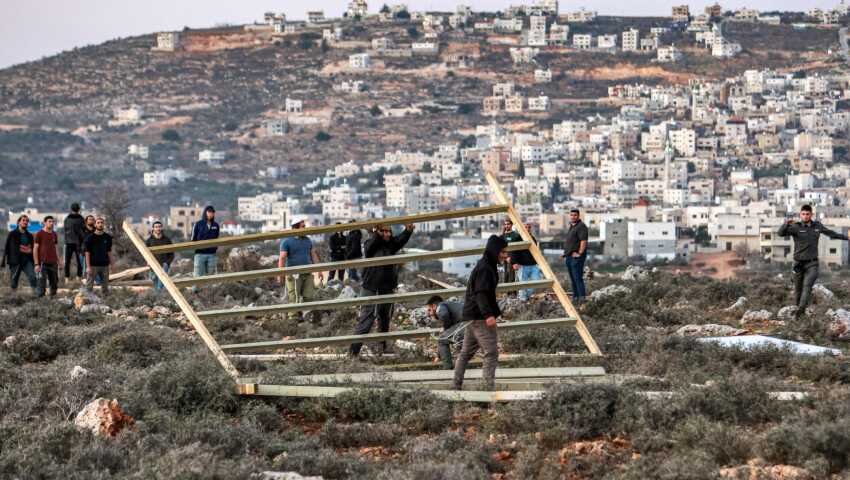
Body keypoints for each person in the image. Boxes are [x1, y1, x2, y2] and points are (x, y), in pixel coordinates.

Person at [349, 223, 414, 357]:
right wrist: (377, 233)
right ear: (377, 232)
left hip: (386, 287)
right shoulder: (370, 245)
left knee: (384, 319)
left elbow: (399, 240)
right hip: (371, 288)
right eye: (383, 232)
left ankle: (382, 348)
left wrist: (407, 231)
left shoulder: (390, 244)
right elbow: (371, 245)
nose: (387, 234)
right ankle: (353, 352)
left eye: (388, 232)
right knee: (366, 321)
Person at [453, 235, 508, 391]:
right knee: (491, 353)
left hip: (472, 316)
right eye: (502, 252)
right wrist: (489, 315)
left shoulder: (486, 264)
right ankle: (486, 392)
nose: (505, 255)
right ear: (494, 251)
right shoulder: (485, 268)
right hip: (480, 317)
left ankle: (455, 386)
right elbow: (481, 294)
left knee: (465, 353)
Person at [778, 204, 850, 318]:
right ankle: (799, 315)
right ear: (800, 215)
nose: (805, 216)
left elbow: (832, 234)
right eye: (803, 214)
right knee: (798, 290)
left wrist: (847, 237)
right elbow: (780, 233)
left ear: (811, 215)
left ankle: (801, 310)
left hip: (812, 263)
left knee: (807, 286)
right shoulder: (795, 227)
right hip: (798, 263)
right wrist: (786, 223)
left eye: (807, 214)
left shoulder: (817, 226)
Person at [279, 218, 323, 321]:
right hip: (293, 274)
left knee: (308, 296)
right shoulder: (287, 241)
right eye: (303, 226)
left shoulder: (307, 240)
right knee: (293, 297)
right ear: (296, 227)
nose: (305, 228)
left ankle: (307, 318)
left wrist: (320, 270)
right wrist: (280, 274)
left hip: (307, 273)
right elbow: (282, 257)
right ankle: (292, 320)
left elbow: (313, 255)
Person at [426, 295, 466, 370]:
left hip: (466, 324)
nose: (429, 314)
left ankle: (447, 368)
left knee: (442, 340)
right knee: (444, 339)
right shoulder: (452, 306)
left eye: (429, 310)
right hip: (471, 323)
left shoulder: (441, 306)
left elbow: (444, 315)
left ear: (434, 306)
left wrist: (446, 327)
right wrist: (438, 355)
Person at [2, 215, 37, 293]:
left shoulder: (29, 235)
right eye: (23, 220)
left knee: (33, 277)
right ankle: (13, 298)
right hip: (15, 261)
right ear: (18, 222)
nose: (25, 222)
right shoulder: (12, 234)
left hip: (27, 261)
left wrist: (34, 260)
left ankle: (35, 295)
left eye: (27, 221)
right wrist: (4, 261)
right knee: (14, 281)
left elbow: (32, 248)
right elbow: (10, 247)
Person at [562, 209, 589, 305]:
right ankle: (575, 297)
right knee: (573, 278)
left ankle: (581, 298)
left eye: (575, 215)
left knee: (578, 278)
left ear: (578, 216)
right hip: (569, 257)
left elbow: (583, 241)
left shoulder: (581, 226)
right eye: (572, 215)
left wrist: (580, 253)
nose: (573, 217)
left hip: (576, 257)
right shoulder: (572, 226)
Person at [84, 217, 112, 296]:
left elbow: (109, 251)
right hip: (93, 265)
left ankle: (106, 302)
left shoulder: (108, 237)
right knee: (89, 286)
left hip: (104, 265)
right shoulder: (90, 238)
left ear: (104, 224)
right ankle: (88, 301)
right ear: (95, 224)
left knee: (105, 287)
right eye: (98, 223)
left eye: (101, 223)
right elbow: (87, 253)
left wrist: (112, 264)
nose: (100, 224)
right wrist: (88, 266)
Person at [33, 216, 61, 297]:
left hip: (53, 263)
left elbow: (56, 248)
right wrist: (36, 264)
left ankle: (52, 300)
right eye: (49, 221)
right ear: (44, 222)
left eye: (53, 222)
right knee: (42, 284)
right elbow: (35, 249)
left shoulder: (54, 234)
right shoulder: (39, 233)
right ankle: (41, 302)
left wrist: (59, 261)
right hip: (42, 263)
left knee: (54, 283)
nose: (51, 223)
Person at [513, 223, 542, 301]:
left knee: (536, 281)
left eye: (529, 227)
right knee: (523, 283)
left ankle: (526, 296)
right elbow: (513, 252)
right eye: (526, 227)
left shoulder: (532, 238)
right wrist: (514, 262)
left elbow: (536, 251)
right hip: (522, 265)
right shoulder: (518, 238)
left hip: (533, 265)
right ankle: (523, 300)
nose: (527, 229)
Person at [191, 206, 220, 280]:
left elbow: (216, 238)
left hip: (212, 254)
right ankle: (195, 290)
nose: (211, 214)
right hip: (200, 254)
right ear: (205, 213)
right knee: (198, 275)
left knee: (211, 275)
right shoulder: (198, 224)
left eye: (212, 213)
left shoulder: (216, 225)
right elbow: (193, 239)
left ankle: (209, 291)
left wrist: (214, 248)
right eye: (209, 212)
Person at [145, 221, 174, 290]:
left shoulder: (167, 240)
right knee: (154, 284)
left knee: (160, 285)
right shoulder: (149, 241)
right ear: (153, 228)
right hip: (153, 265)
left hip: (164, 265)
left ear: (161, 228)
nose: (158, 228)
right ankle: (158, 299)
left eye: (159, 227)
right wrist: (148, 262)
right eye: (156, 227)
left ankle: (160, 296)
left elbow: (171, 253)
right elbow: (145, 253)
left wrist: (167, 263)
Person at [63, 203, 85, 281]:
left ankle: (67, 278)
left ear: (71, 209)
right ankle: (78, 277)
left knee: (67, 261)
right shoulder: (81, 219)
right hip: (78, 243)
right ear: (78, 209)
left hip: (68, 242)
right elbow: (83, 231)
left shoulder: (67, 219)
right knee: (79, 261)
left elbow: (65, 230)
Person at [500, 218, 521, 284]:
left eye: (508, 224)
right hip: (505, 258)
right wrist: (505, 257)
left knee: (512, 276)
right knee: (505, 275)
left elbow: (520, 247)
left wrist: (517, 260)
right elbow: (499, 246)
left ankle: (512, 293)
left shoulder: (516, 235)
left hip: (513, 258)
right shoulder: (503, 235)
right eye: (505, 224)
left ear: (511, 225)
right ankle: (506, 292)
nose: (506, 226)